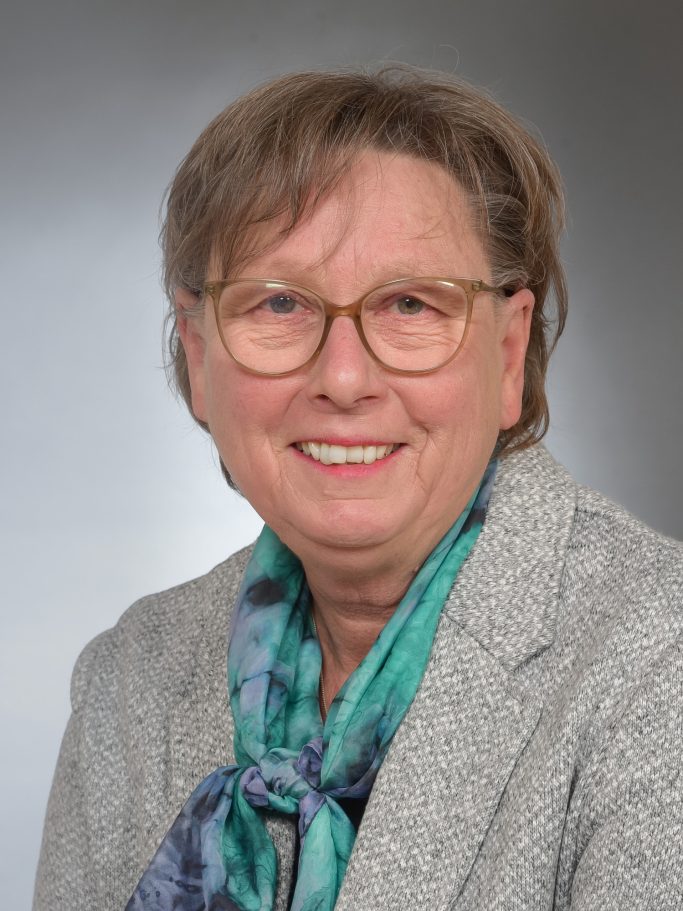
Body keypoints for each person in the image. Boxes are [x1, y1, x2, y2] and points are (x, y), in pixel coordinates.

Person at [34, 67, 682, 911]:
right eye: (279, 304)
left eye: (410, 304)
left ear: (508, 353)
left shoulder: (657, 663)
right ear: (198, 354)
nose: (342, 378)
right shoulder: (129, 678)